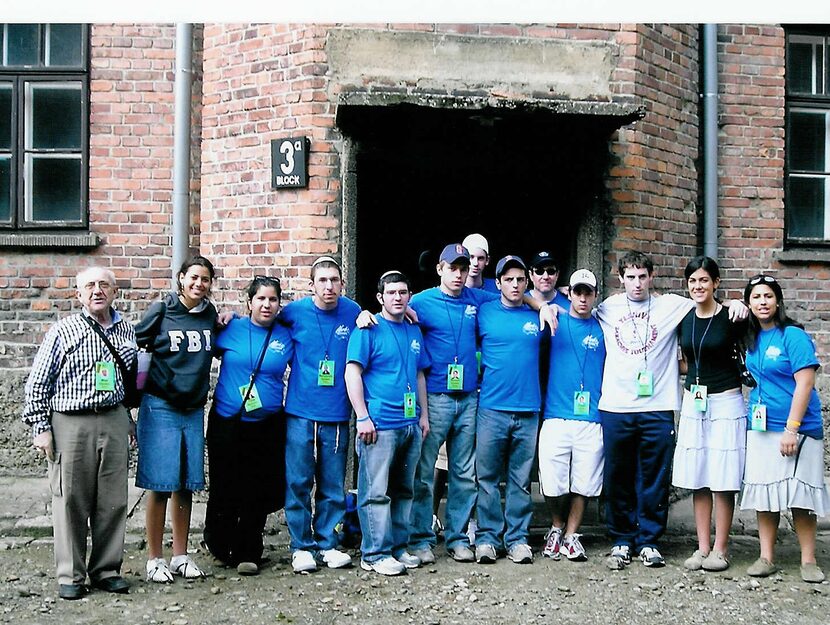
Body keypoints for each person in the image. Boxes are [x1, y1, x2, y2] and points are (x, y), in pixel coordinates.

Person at [597, 251, 747, 570]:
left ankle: (650, 540)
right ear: (620, 278)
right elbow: (564, 305)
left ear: (652, 277)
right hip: (615, 405)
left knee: (654, 475)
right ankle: (622, 539)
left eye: (642, 276)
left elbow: (708, 302)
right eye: (630, 277)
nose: (636, 284)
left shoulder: (674, 305)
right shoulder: (606, 308)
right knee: (618, 475)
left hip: (659, 405)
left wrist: (738, 303)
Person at [22, 267, 135, 600]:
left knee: (113, 500)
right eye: (89, 286)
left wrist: (127, 419)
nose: (97, 290)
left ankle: (106, 569)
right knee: (70, 498)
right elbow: (38, 382)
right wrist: (41, 428)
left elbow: (126, 382)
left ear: (115, 291)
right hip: (71, 422)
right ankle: (71, 574)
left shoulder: (126, 329)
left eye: (104, 285)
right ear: (79, 294)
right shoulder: (63, 330)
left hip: (113, 419)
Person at [407, 244, 501, 564]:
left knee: (464, 472)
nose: (459, 274)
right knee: (424, 471)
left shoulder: (476, 299)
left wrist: (543, 304)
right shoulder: (420, 301)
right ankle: (420, 537)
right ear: (440, 269)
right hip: (436, 397)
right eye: (453, 268)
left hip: (470, 397)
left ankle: (458, 537)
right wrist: (367, 316)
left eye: (463, 268)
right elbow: (390, 311)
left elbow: (511, 298)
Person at [739, 274, 830, 583]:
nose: (762, 302)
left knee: (801, 495)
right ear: (748, 304)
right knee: (765, 494)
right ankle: (766, 556)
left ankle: (808, 559)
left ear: (777, 301)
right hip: (762, 427)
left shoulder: (792, 335)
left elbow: (805, 382)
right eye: (755, 297)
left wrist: (792, 429)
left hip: (798, 429)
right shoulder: (750, 338)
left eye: (767, 296)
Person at [135, 255, 219, 583]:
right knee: (160, 483)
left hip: (193, 408)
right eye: (193, 277)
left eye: (205, 279)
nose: (199, 284)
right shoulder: (162, 310)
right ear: (181, 278)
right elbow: (136, 347)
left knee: (186, 483)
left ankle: (180, 555)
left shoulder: (209, 314)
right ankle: (154, 559)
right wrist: (137, 395)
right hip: (160, 405)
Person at [203, 276, 294, 576]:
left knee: (257, 487)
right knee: (225, 484)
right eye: (261, 299)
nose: (267, 305)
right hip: (228, 422)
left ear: (280, 304)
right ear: (249, 302)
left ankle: (248, 551)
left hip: (267, 424)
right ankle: (218, 542)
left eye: (272, 299)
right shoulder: (230, 329)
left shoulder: (286, 336)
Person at [345, 271, 430, 576]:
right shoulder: (367, 329)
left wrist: (423, 415)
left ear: (410, 296)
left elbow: (420, 374)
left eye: (403, 292)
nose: (398, 297)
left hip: (409, 424)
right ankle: (375, 553)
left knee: (403, 490)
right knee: (376, 492)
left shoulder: (413, 330)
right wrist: (363, 417)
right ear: (380, 297)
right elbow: (352, 373)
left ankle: (397, 547)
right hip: (379, 425)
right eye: (391, 292)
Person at [280, 257, 361, 573]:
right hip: (300, 412)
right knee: (299, 481)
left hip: (337, 414)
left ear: (342, 283)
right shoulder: (294, 313)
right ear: (311, 284)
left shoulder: (352, 312)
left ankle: (327, 541)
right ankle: (301, 546)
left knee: (331, 483)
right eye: (322, 280)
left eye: (335, 280)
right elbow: (265, 321)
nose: (329, 286)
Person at [671, 257, 747, 573]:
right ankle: (702, 546)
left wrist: (741, 303)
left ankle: (721, 547)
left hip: (726, 400)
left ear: (716, 283)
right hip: (694, 400)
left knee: (722, 476)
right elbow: (687, 360)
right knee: (698, 475)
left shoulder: (732, 315)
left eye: (704, 280)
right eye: (693, 282)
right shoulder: (684, 317)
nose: (698, 287)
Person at [474, 255, 546, 565]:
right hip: (491, 407)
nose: (515, 284)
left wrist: (541, 305)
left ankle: (517, 538)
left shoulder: (540, 316)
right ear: (498, 282)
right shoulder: (484, 310)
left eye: (520, 279)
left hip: (528, 409)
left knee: (520, 480)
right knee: (486, 477)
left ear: (526, 282)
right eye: (508, 279)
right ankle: (488, 538)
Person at [538, 269, 606, 562]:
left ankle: (571, 534)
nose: (582, 298)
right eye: (577, 292)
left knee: (585, 482)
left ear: (595, 295)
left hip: (592, 417)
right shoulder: (554, 319)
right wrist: (542, 305)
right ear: (569, 293)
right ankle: (555, 525)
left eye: (587, 292)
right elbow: (528, 296)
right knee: (553, 482)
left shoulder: (604, 327)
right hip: (556, 413)